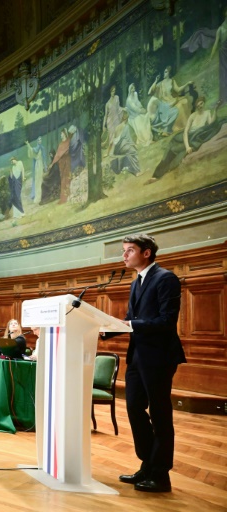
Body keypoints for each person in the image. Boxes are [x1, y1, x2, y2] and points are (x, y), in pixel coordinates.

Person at [102, 234, 185, 493]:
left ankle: (161, 475)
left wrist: (130, 325)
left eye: (129, 250)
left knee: (160, 414)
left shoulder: (165, 278)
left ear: (146, 253)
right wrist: (105, 330)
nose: (124, 255)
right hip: (138, 355)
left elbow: (166, 321)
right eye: (124, 251)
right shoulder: (136, 282)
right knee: (135, 409)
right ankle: (147, 464)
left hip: (159, 356)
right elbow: (131, 319)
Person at [151, 96, 224, 181]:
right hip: (186, 137)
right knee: (171, 149)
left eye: (201, 104)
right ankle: (156, 175)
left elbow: (211, 123)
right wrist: (187, 147)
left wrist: (215, 109)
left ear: (204, 103)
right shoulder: (193, 116)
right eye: (198, 105)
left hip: (195, 137)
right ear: (196, 106)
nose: (200, 106)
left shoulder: (207, 113)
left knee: (177, 151)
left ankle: (160, 174)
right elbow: (185, 132)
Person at [148, 66, 193, 134]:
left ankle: (187, 126)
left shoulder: (172, 81)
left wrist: (187, 84)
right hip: (165, 103)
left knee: (185, 102)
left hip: (172, 100)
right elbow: (150, 92)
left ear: (169, 73)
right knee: (179, 106)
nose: (164, 73)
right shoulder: (160, 84)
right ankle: (180, 127)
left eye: (166, 72)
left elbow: (178, 89)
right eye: (164, 72)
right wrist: (156, 81)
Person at [106, 110, 141, 176]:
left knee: (130, 151)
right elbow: (128, 140)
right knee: (133, 151)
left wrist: (108, 152)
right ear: (125, 118)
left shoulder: (117, 127)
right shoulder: (126, 127)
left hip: (116, 149)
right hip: (121, 147)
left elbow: (112, 142)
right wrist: (134, 145)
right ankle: (136, 171)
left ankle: (136, 170)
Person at [50, 128, 72, 204]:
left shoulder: (69, 141)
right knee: (63, 179)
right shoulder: (60, 144)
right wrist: (52, 163)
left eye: (62, 134)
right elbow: (57, 155)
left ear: (65, 134)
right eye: (60, 134)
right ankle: (64, 197)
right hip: (61, 164)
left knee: (68, 178)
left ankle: (69, 194)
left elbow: (70, 150)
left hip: (67, 162)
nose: (61, 135)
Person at [103, 85, 123, 149]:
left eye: (114, 91)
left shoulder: (117, 98)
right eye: (112, 91)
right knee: (111, 136)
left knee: (117, 133)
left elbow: (118, 108)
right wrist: (104, 125)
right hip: (110, 122)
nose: (113, 92)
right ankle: (112, 149)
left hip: (116, 119)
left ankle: (118, 148)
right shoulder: (107, 104)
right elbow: (105, 115)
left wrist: (124, 109)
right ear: (110, 92)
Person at [25, 137, 45, 203]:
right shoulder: (35, 149)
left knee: (41, 179)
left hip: (41, 164)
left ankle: (42, 194)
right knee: (37, 180)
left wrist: (45, 166)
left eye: (40, 139)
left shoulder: (42, 148)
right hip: (37, 165)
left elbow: (44, 157)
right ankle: (38, 195)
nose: (40, 141)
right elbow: (31, 151)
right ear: (37, 141)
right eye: (38, 140)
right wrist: (28, 144)